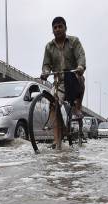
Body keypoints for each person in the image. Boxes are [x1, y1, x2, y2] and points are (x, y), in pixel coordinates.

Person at [41, 16, 86, 147]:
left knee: (81, 79)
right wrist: (45, 72)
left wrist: (80, 67)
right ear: (52, 30)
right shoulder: (49, 47)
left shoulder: (74, 41)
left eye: (60, 26)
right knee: (54, 105)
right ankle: (57, 140)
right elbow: (46, 64)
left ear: (65, 28)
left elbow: (80, 56)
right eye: (55, 27)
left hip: (73, 77)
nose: (58, 29)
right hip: (58, 81)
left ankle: (78, 106)